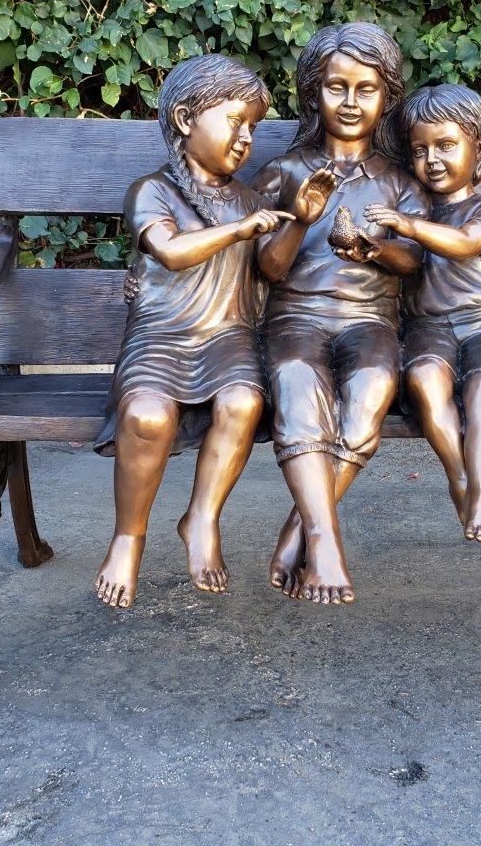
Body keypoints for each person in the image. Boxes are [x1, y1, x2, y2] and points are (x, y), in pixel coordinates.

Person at [92, 54, 332, 608]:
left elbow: (271, 268)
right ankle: (128, 537)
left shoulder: (251, 201)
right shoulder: (152, 191)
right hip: (161, 334)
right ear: (183, 119)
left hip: (228, 337)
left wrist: (300, 219)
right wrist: (240, 229)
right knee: (146, 415)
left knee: (245, 401)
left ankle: (201, 517)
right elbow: (172, 252)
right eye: (234, 121)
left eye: (253, 126)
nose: (246, 137)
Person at [253, 22, 429, 604]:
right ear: (313, 94)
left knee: (375, 383)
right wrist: (302, 219)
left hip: (369, 321)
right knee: (298, 379)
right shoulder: (283, 173)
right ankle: (326, 545)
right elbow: (269, 269)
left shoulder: (400, 181)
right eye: (336, 88)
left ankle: (300, 528)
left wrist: (371, 248)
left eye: (366, 89)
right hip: (294, 318)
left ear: (387, 98)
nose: (351, 103)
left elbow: (412, 261)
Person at [365, 84, 481, 542]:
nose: (432, 159)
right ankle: (461, 479)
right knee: (423, 380)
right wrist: (375, 245)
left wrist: (409, 226)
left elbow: (466, 244)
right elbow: (394, 256)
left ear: (478, 148)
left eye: (446, 145)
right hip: (428, 329)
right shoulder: (408, 205)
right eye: (420, 150)